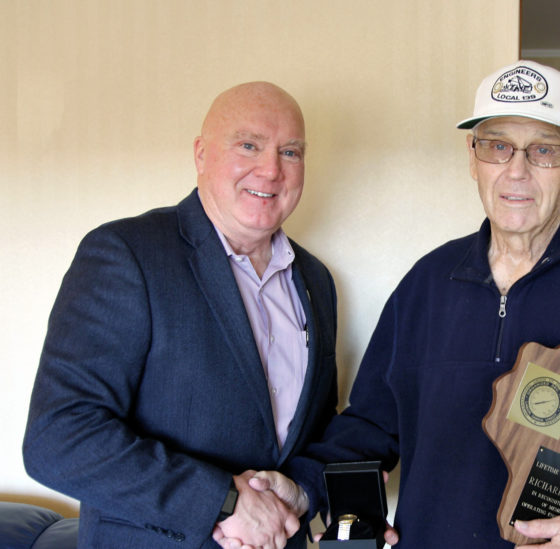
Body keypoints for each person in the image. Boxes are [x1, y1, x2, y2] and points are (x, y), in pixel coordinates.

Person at [251, 61, 560, 548]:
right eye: (497, 146)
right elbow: (369, 430)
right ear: (473, 158)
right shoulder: (426, 285)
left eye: (544, 150)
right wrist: (302, 490)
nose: (516, 171)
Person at [23, 82, 338, 549]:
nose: (271, 169)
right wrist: (224, 502)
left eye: (290, 152)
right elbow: (58, 438)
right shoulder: (127, 253)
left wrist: (303, 491)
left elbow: (321, 430)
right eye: (248, 145)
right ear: (201, 154)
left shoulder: (315, 280)